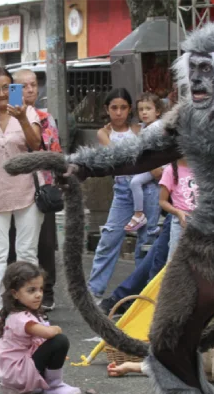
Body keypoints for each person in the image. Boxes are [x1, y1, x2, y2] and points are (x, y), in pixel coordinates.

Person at [0, 67, 43, 325]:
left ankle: (28, 304)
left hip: (26, 191)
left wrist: (22, 117)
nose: (2, 93)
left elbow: (36, 144)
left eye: (7, 87)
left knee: (26, 251)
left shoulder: (28, 112)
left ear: (14, 88)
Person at [87, 87, 153, 301]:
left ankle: (140, 294)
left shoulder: (138, 129)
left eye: (123, 108)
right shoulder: (103, 132)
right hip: (123, 190)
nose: (118, 112)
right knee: (110, 237)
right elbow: (117, 157)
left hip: (147, 188)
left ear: (129, 109)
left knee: (146, 241)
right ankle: (94, 291)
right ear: (107, 109)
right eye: (114, 108)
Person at [7, 69, 62, 311]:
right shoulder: (3, 117)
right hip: (10, 188)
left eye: (33, 85)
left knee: (45, 243)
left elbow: (52, 150)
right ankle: (16, 292)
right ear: (14, 90)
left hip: (40, 186)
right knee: (12, 243)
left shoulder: (45, 117)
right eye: (23, 86)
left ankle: (45, 292)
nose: (30, 90)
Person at [0, 261, 81, 394]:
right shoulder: (20, 318)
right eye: (31, 290)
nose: (38, 295)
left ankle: (34, 386)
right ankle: (54, 387)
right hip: (20, 373)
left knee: (50, 344)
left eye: (40, 289)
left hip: (15, 374)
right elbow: (48, 333)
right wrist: (56, 329)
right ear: (15, 294)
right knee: (59, 341)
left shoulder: (21, 313)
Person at [126, 94, 164, 232]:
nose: (144, 112)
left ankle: (139, 213)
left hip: (157, 166)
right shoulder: (146, 127)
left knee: (135, 182)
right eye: (141, 109)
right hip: (150, 165)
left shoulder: (156, 127)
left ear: (158, 111)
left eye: (148, 108)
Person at [159, 160, 197, 262]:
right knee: (175, 260)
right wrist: (178, 212)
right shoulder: (169, 170)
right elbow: (162, 201)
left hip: (201, 220)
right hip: (181, 220)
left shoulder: (200, 167)